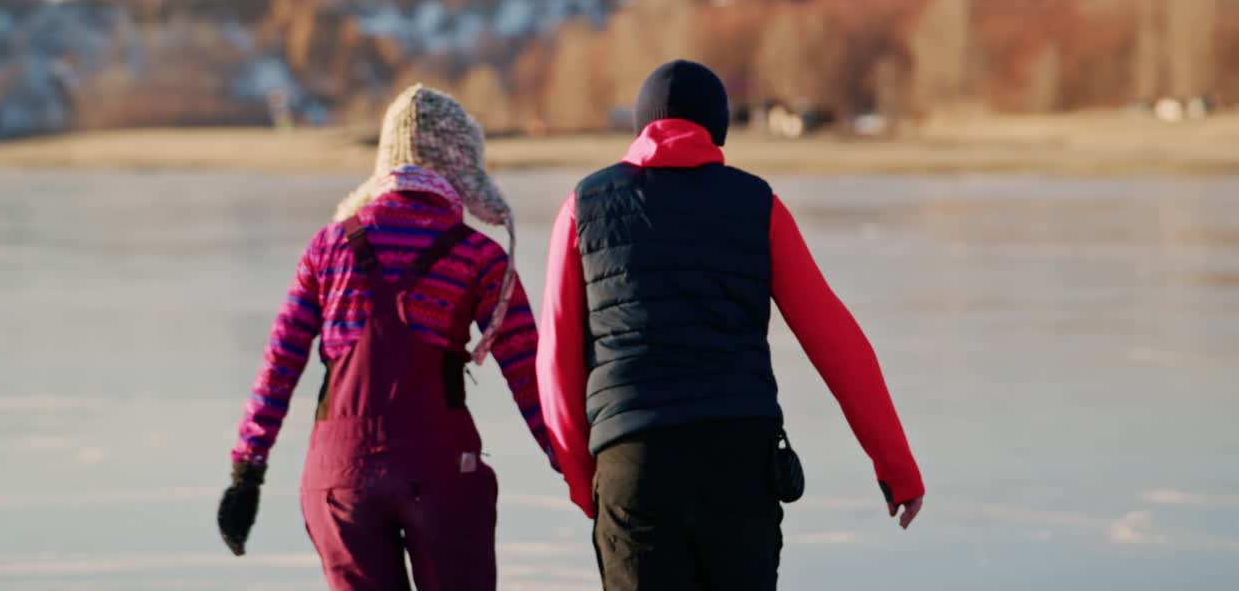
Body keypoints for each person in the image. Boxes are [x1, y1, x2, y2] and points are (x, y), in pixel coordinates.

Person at [536, 60, 925, 590]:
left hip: (635, 459)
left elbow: (555, 359)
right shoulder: (756, 204)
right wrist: (895, 465)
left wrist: (586, 483)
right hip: (739, 460)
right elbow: (836, 340)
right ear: (718, 126)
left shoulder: (582, 206)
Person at [217, 85, 556, 590]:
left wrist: (247, 473)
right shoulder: (479, 255)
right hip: (441, 472)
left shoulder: (328, 247)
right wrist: (575, 464)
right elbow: (529, 370)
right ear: (461, 164)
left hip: (340, 479)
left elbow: (279, 365)